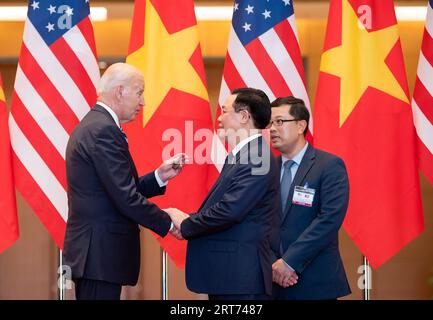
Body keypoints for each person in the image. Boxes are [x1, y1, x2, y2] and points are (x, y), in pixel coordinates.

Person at [63, 63, 186, 300]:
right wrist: (170, 223)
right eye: (139, 93)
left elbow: (115, 191)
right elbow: (125, 197)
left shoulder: (97, 125)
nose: (143, 103)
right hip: (99, 256)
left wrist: (159, 176)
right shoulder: (102, 130)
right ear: (120, 91)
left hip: (99, 257)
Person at [166, 88, 280, 300]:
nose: (219, 118)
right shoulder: (242, 157)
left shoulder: (257, 158)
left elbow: (231, 210)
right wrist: (188, 221)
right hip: (230, 276)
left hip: (240, 279)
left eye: (225, 111)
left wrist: (187, 224)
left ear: (244, 116)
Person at [269, 96, 351, 300]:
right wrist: (275, 266)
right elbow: (261, 221)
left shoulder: (329, 165)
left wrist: (289, 262)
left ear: (300, 125)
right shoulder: (267, 169)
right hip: (273, 281)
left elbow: (329, 219)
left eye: (279, 121)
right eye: (270, 123)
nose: (272, 128)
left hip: (315, 281)